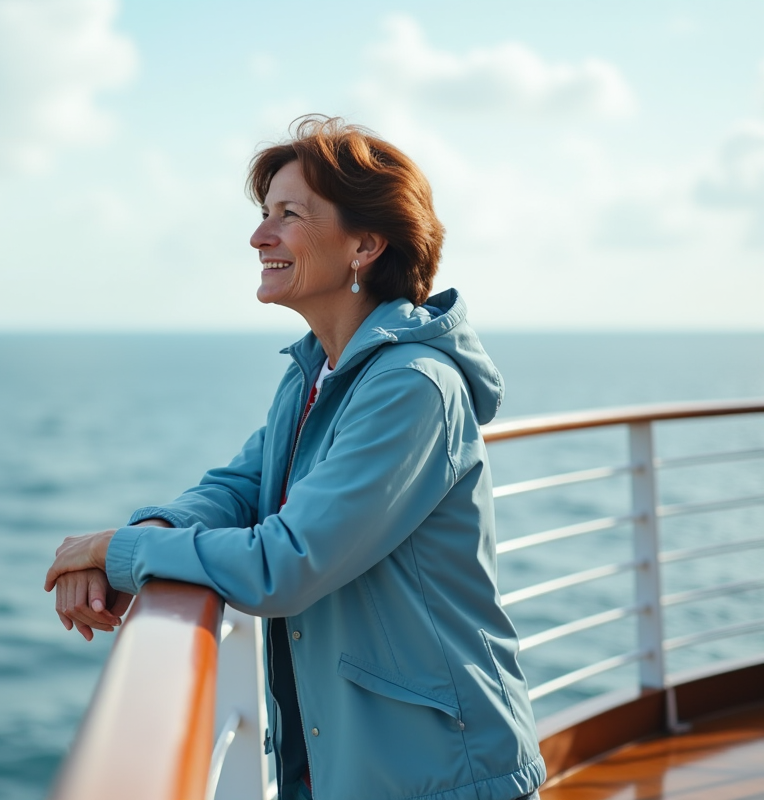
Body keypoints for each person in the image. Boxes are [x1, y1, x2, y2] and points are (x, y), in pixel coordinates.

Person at [44, 115, 544, 800]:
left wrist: (119, 551)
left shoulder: (410, 389)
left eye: (288, 215)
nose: (259, 236)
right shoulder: (316, 372)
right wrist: (144, 537)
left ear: (365, 244)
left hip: (442, 775)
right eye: (263, 213)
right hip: (349, 766)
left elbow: (285, 564)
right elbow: (239, 487)